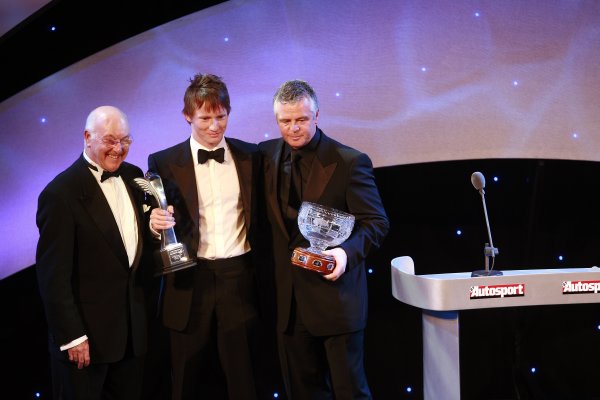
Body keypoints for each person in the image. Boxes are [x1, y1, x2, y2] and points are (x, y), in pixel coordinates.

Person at [258, 80, 390, 399]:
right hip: (287, 304)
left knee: (349, 392)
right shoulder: (265, 155)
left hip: (336, 300)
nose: (293, 128)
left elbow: (376, 222)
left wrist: (344, 256)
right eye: (285, 121)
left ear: (317, 115)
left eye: (301, 120)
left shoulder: (348, 161)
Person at [148, 73, 263, 400]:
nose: (215, 126)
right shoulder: (164, 162)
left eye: (221, 116)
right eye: (205, 118)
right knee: (185, 382)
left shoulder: (251, 156)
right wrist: (153, 221)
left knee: (245, 381)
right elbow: (151, 214)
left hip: (239, 279)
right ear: (188, 116)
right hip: (188, 281)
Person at [36, 105, 150, 399]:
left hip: (131, 339)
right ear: (87, 137)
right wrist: (72, 336)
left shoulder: (135, 177)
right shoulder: (60, 194)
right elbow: (53, 277)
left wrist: (156, 229)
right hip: (85, 345)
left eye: (125, 140)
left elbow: (132, 252)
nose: (119, 149)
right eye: (110, 140)